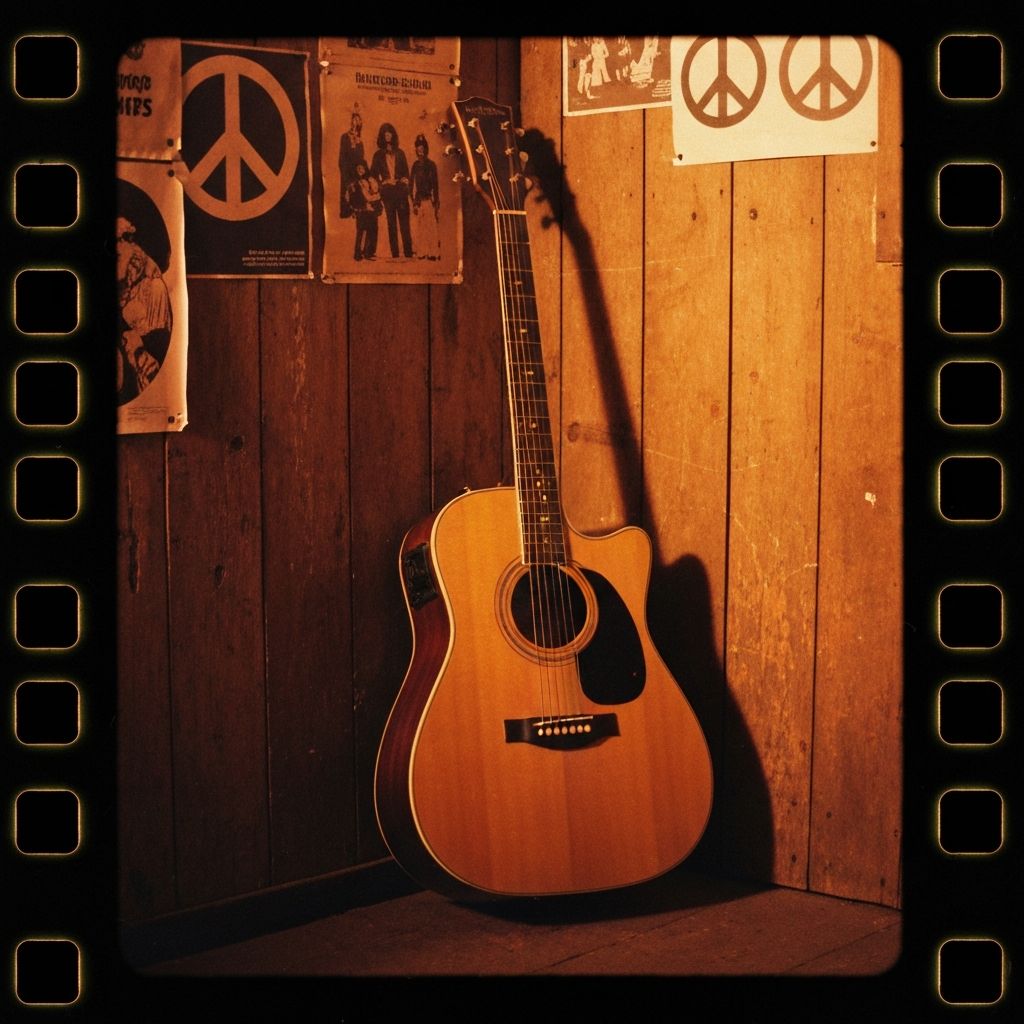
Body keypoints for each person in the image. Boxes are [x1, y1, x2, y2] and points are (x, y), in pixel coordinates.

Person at [116, 215, 171, 403]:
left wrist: (137, 349)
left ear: (130, 241)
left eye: (122, 240)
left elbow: (158, 347)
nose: (116, 248)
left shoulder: (151, 289)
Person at [369, 122, 413, 259]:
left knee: (405, 224)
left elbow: (406, 173)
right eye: (385, 134)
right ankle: (395, 255)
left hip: (401, 191)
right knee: (391, 225)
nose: (387, 136)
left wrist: (404, 180)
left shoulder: (400, 153)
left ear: (393, 136)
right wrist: (383, 183)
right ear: (382, 137)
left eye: (390, 133)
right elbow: (372, 176)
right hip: (387, 193)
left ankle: (408, 253)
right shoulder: (377, 155)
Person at [410, 134, 440, 260]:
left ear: (425, 149)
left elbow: (435, 185)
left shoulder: (431, 165)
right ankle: (422, 252)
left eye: (422, 148)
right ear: (416, 150)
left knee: (431, 226)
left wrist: (436, 201)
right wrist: (413, 202)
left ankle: (433, 252)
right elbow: (411, 185)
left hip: (429, 199)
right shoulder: (415, 166)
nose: (420, 151)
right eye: (418, 149)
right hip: (418, 200)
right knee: (420, 226)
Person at [346, 159, 382, 261]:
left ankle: (368, 252)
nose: (360, 170)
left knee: (372, 230)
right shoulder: (356, 183)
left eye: (362, 168)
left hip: (372, 209)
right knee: (361, 231)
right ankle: (357, 254)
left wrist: (375, 195)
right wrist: (376, 196)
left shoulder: (370, 179)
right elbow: (367, 197)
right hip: (362, 210)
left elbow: (376, 190)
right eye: (358, 169)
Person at [338, 111, 364, 218]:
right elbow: (342, 157)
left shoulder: (360, 140)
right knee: (347, 190)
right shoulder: (345, 137)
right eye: (354, 119)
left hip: (356, 170)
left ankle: (357, 210)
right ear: (351, 121)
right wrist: (345, 173)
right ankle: (347, 211)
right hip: (347, 169)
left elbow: (362, 158)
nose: (356, 122)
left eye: (358, 120)